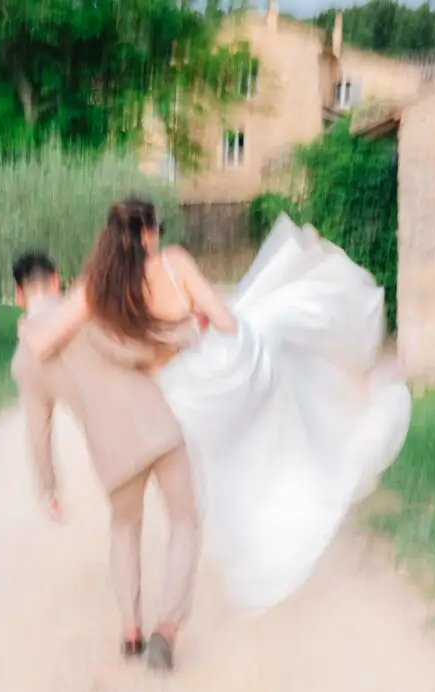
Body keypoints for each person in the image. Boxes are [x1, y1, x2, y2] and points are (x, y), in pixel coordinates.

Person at [25, 198, 411, 614]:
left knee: (240, 451)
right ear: (150, 234)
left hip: (182, 396)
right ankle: (363, 381)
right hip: (227, 370)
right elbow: (225, 322)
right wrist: (194, 318)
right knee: (281, 319)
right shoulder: (173, 262)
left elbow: (40, 341)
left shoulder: (97, 286)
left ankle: (293, 475)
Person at [11, 245, 232, 671]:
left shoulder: (24, 361)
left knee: (124, 528)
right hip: (158, 430)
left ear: (19, 295)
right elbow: (137, 348)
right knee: (185, 520)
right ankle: (166, 628)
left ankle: (130, 630)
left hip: (111, 454)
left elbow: (38, 432)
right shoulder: (86, 311)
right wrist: (190, 331)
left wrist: (49, 488)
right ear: (58, 279)